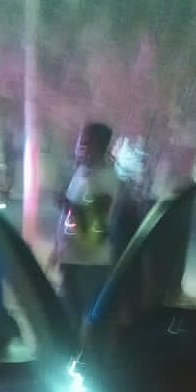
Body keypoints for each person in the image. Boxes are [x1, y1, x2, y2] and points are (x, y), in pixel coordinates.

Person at [49, 122, 123, 328]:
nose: (78, 147)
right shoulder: (83, 171)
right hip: (72, 258)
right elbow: (71, 218)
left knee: (82, 322)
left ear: (98, 145)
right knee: (68, 318)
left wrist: (65, 204)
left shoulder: (107, 178)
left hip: (90, 265)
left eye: (84, 142)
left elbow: (96, 218)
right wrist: (58, 248)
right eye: (80, 142)